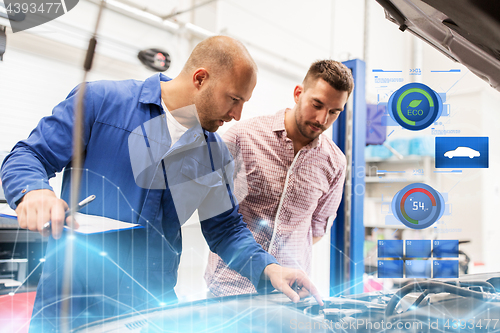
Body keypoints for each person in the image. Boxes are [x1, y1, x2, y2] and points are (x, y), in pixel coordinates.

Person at [0, 36, 322, 332]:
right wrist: (34, 191)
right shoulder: (101, 103)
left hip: (150, 311)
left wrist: (269, 269)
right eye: (234, 99)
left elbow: (225, 229)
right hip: (72, 308)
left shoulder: (213, 154)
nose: (237, 115)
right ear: (200, 79)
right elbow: (28, 155)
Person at [205, 60, 354, 296]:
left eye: (334, 112)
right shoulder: (242, 137)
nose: (322, 119)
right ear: (298, 93)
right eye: (317, 104)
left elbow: (315, 230)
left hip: (290, 293)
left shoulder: (335, 163)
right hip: (231, 287)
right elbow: (213, 214)